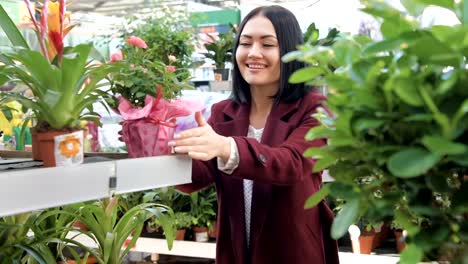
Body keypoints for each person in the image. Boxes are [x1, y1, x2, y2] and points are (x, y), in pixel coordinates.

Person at [170, 5, 339, 264]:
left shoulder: (314, 108)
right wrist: (166, 143)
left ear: (291, 52)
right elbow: (197, 177)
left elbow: (291, 163)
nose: (253, 53)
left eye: (268, 45)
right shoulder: (223, 113)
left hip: (293, 253)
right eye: (245, 43)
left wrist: (227, 148)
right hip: (237, 252)